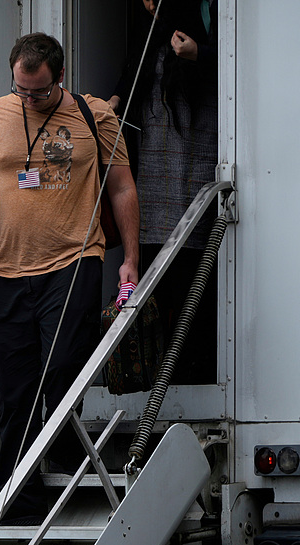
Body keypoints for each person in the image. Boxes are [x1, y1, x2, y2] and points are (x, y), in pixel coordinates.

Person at [0, 33, 140, 524]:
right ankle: (15, 497)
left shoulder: (93, 113)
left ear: (59, 77)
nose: (29, 99)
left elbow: (121, 186)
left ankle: (56, 454)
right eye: (21, 90)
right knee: (14, 389)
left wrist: (132, 260)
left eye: (38, 91)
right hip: (6, 269)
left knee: (60, 370)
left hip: (73, 259)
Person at [110, 0, 218, 384]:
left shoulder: (205, 31)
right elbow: (131, 75)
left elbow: (235, 69)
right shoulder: (151, 39)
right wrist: (115, 100)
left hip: (195, 174)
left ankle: (192, 371)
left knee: (196, 284)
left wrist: (199, 55)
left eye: (155, 0)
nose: (148, 6)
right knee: (161, 286)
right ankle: (161, 374)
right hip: (155, 182)